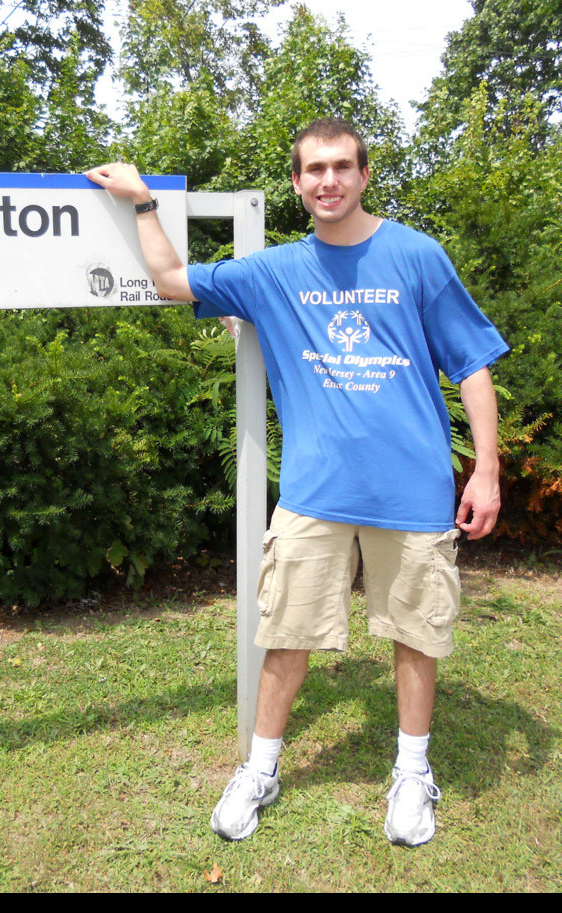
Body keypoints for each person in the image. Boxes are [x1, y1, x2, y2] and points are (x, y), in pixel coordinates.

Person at [85, 117, 508, 847]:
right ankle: (260, 769)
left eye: (342, 166)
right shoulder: (275, 273)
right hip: (316, 492)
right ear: (296, 182)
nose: (328, 180)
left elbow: (471, 363)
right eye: (314, 169)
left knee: (416, 636)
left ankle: (412, 772)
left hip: (412, 490)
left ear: (364, 174)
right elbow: (170, 282)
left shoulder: (417, 256)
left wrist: (488, 469)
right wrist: (143, 202)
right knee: (286, 632)